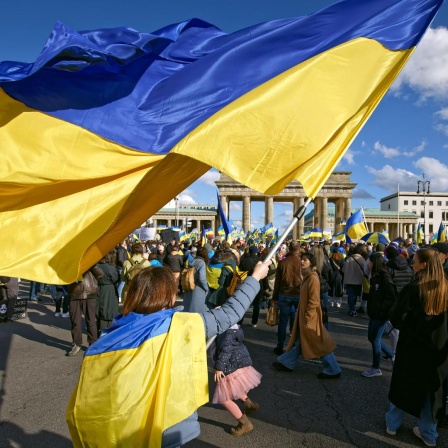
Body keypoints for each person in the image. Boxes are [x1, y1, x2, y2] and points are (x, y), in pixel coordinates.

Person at [66, 262, 270, 448]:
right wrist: (255, 278)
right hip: (167, 425)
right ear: (168, 296)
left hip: (120, 432)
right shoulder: (176, 324)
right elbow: (229, 314)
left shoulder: (109, 336)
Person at [386, 249, 448, 447]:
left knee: (402, 383)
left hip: (413, 344)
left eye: (415, 261)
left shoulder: (415, 287)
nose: (412, 263)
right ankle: (429, 433)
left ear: (423, 265)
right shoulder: (445, 286)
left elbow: (396, 316)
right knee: (432, 391)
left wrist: (408, 325)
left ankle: (393, 424)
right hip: (439, 346)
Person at [274, 252, 341, 379]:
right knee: (302, 341)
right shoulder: (308, 276)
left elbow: (314, 301)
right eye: (302, 259)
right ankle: (287, 362)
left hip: (310, 318)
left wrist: (308, 318)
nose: (302, 262)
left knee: (319, 343)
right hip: (305, 316)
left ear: (312, 263)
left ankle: (333, 368)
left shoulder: (312, 278)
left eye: (305, 260)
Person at [212, 323, 262, 436]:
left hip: (229, 366)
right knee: (235, 387)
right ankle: (249, 404)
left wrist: (219, 368)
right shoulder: (232, 328)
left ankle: (244, 423)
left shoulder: (225, 333)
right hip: (237, 363)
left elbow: (225, 350)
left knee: (223, 398)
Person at [362, 252, 396, 378]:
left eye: (370, 262)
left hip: (381, 314)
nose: (368, 264)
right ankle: (392, 355)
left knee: (375, 339)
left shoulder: (385, 277)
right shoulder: (374, 277)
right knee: (371, 338)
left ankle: (376, 367)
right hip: (374, 313)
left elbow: (391, 296)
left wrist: (382, 309)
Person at [66, 265, 104, 356]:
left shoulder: (91, 259)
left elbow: (100, 275)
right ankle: (76, 344)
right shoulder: (70, 261)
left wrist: (91, 264)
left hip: (89, 293)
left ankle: (93, 344)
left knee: (91, 321)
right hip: (74, 293)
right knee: (75, 321)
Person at [272, 241, 301, 355]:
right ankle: (294, 345)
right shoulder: (302, 262)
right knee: (297, 321)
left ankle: (280, 346)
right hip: (298, 294)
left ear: (289, 249)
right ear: (298, 249)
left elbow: (277, 282)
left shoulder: (282, 262)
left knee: (283, 322)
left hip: (284, 294)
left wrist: (275, 297)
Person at [96, 250, 120, 336]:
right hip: (109, 290)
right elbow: (116, 278)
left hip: (99, 289)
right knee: (109, 310)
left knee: (99, 309)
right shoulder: (111, 269)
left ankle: (99, 330)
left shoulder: (96, 266)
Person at [239, 246, 263, 327]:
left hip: (246, 283)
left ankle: (240, 321)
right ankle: (254, 322)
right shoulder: (260, 261)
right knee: (256, 304)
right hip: (258, 283)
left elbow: (240, 272)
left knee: (244, 302)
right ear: (256, 252)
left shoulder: (244, 260)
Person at [182, 246, 209, 313]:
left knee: (187, 309)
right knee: (197, 312)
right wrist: (206, 288)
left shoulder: (191, 261)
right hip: (198, 288)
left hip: (188, 285)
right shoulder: (201, 263)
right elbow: (202, 278)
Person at [342, 245, 365, 317]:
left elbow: (343, 270)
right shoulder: (361, 259)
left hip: (349, 280)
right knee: (355, 296)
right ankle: (352, 309)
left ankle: (351, 309)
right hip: (358, 280)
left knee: (351, 295)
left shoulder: (349, 259)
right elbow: (365, 269)